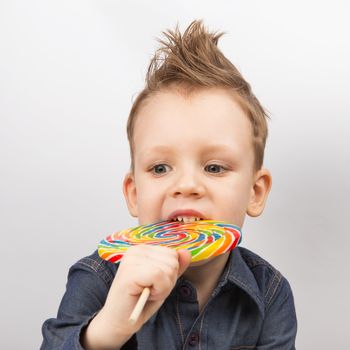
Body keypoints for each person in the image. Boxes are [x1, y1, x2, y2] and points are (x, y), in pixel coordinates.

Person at [41, 20, 297, 349]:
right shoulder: (99, 278)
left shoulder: (269, 293)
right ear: (134, 194)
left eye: (214, 167)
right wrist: (109, 328)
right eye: (160, 167)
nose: (186, 185)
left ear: (255, 192)